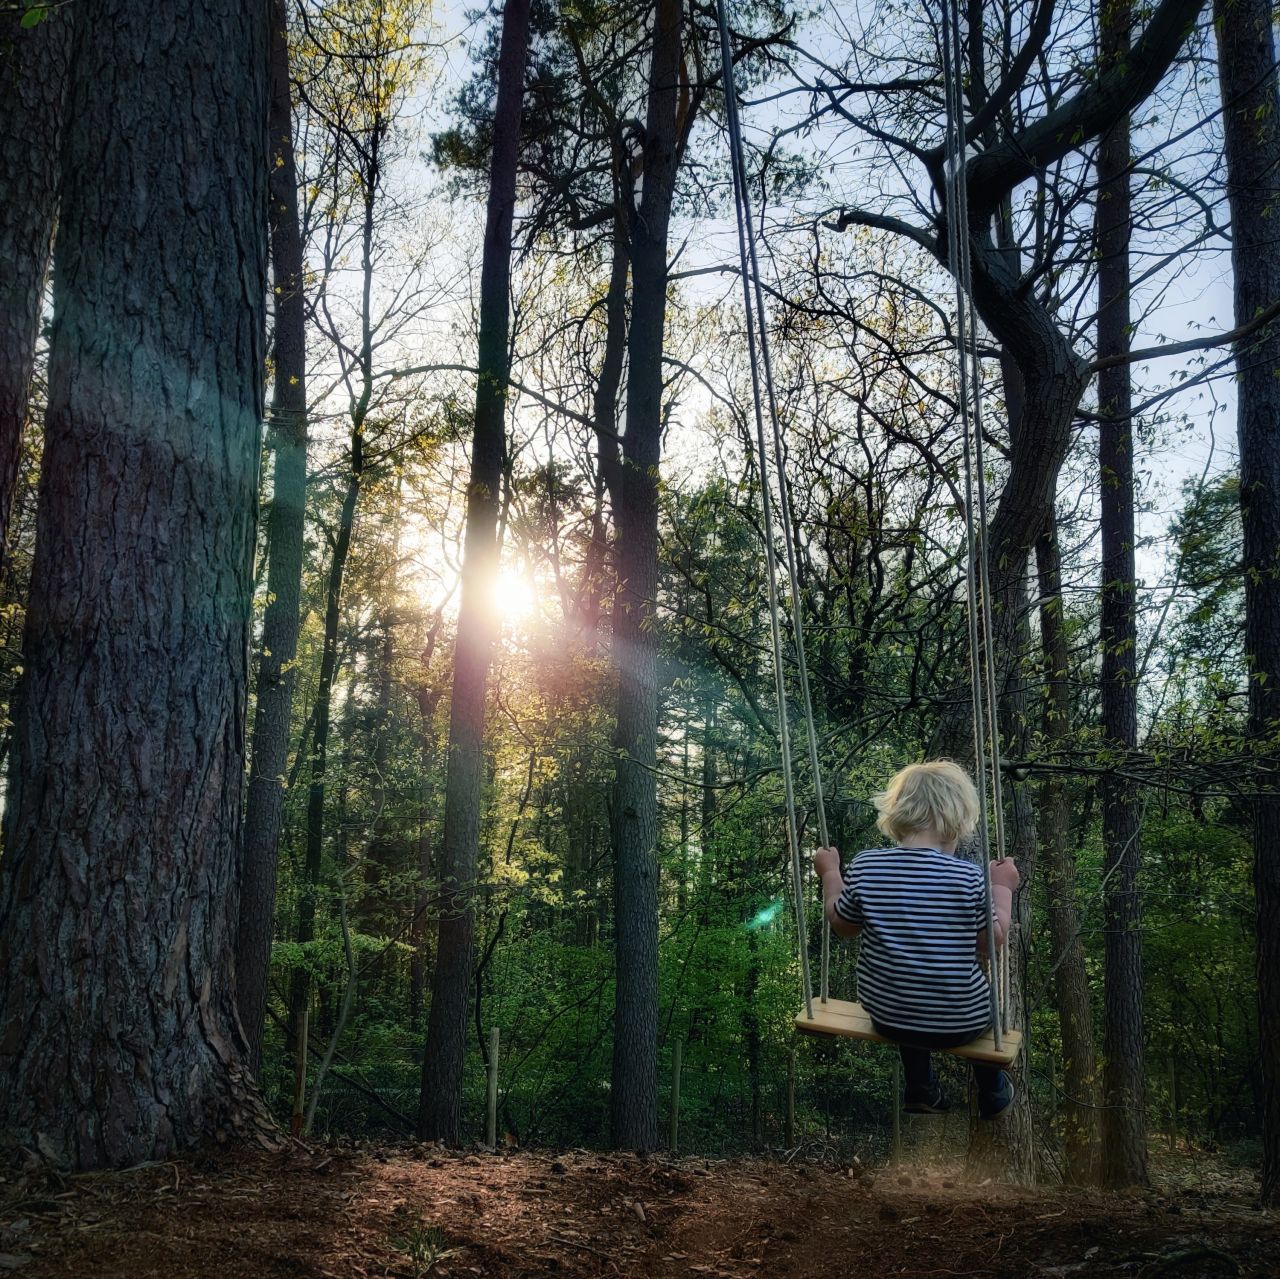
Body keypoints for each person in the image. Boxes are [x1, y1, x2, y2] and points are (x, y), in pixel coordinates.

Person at [811, 759, 1019, 1118]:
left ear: (897, 816)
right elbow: (991, 941)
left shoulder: (867, 866)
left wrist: (830, 873)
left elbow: (843, 925)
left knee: (905, 988)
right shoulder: (969, 878)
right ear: (957, 822)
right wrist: (1002, 887)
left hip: (888, 1016)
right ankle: (993, 1092)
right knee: (985, 1010)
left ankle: (920, 1087)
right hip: (961, 1022)